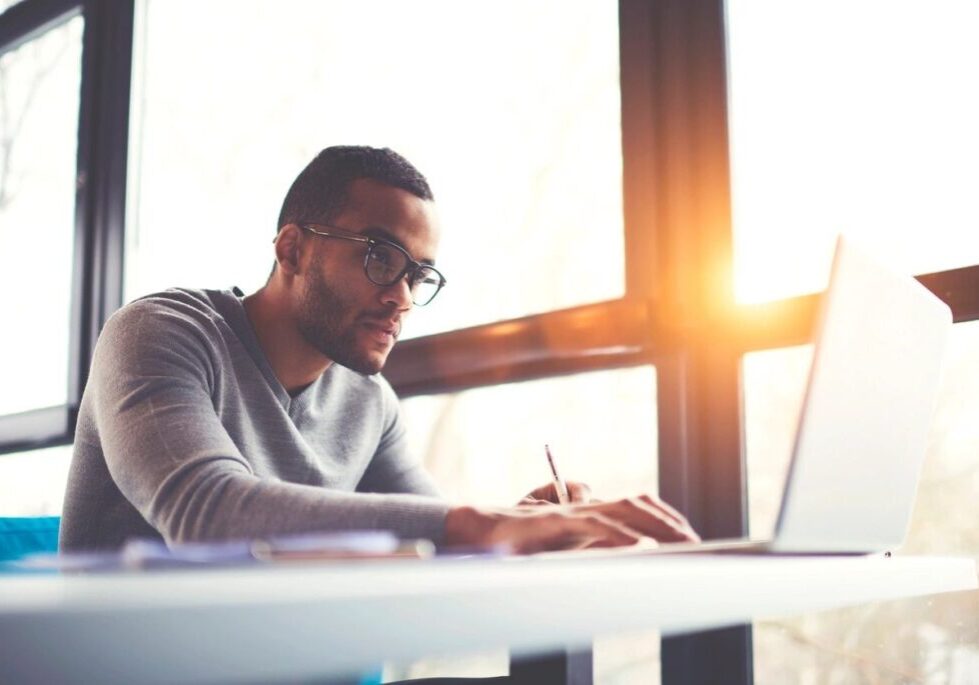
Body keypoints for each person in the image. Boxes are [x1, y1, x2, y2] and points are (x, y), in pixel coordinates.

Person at [59, 145, 699, 555]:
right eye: (378, 258)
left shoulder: (370, 403)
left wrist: (520, 530)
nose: (402, 298)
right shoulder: (161, 333)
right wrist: (476, 524)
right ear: (291, 249)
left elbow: (429, 534)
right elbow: (205, 512)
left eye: (418, 275)